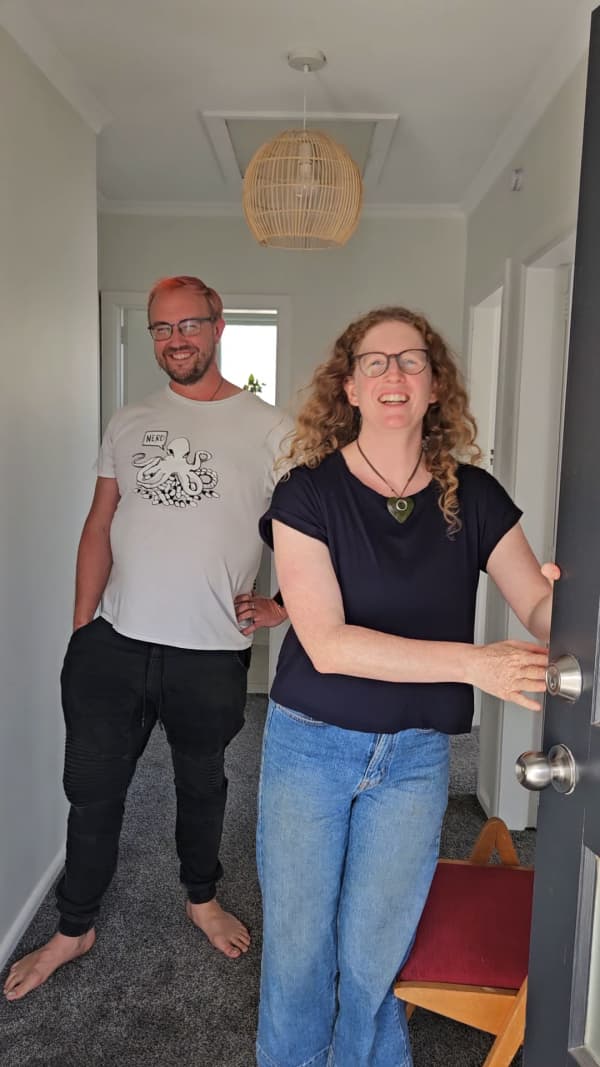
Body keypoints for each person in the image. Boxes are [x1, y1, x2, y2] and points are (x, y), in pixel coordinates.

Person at [256, 305, 558, 1067]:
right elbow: (324, 643)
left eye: (412, 360)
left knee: (374, 952)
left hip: (416, 759)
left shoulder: (477, 497)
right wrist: (471, 661)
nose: (395, 373)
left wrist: (570, 597)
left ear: (434, 387)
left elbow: (543, 608)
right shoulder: (307, 493)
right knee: (298, 948)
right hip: (309, 747)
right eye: (376, 362)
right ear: (349, 388)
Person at [4, 275, 290, 1001]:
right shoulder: (129, 421)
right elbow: (100, 523)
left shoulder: (273, 428)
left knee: (202, 782)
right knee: (92, 792)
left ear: (218, 325)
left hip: (210, 650)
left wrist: (283, 604)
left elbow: (316, 534)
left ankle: (201, 898)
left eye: (189, 324)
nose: (175, 339)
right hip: (113, 645)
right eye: (162, 328)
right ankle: (74, 927)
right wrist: (82, 625)